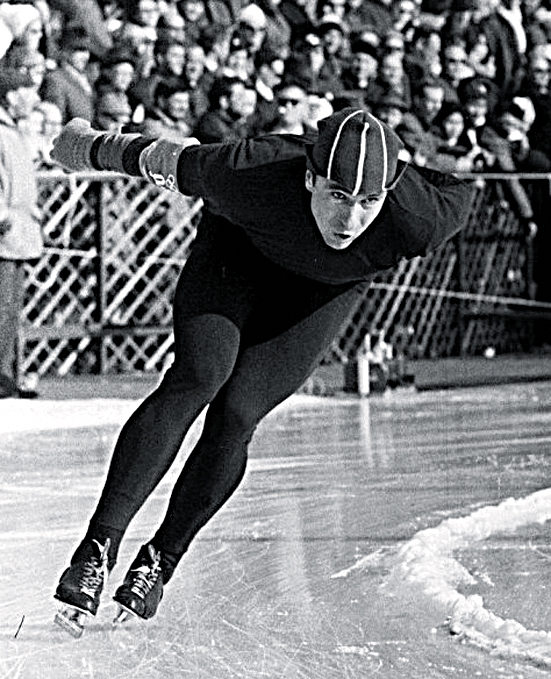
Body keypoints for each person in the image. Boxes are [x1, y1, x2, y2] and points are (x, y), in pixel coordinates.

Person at [50, 106, 473, 633]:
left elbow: (458, 189)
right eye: (338, 195)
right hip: (236, 256)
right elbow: (158, 157)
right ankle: (97, 547)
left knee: (238, 414)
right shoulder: (253, 170)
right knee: (199, 377)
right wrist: (83, 145)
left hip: (320, 292)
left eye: (369, 201)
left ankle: (160, 559)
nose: (350, 220)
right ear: (310, 178)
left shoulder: (422, 217)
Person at [0, 69, 43, 399]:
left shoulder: (15, 131)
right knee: (2, 307)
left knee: (12, 309)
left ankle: (7, 373)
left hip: (19, 230)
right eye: (27, 92)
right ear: (11, 96)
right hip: (6, 230)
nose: (33, 99)